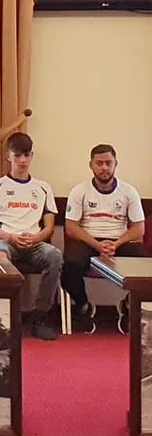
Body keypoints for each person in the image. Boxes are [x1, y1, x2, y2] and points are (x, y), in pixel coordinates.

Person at [0, 132, 62, 341]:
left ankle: (40, 316)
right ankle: (4, 316)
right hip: (5, 240)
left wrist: (36, 238)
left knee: (54, 256)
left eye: (26, 155)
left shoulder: (43, 187)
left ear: (32, 156)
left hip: (35, 242)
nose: (23, 161)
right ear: (8, 157)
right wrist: (11, 237)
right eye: (17, 156)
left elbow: (49, 228)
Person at [62, 144, 145, 335]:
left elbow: (139, 229)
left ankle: (129, 305)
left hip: (119, 241)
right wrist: (98, 245)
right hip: (88, 242)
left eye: (108, 163)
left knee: (144, 262)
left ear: (116, 164)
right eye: (99, 163)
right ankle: (83, 306)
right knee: (69, 264)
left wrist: (115, 244)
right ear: (91, 165)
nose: (104, 168)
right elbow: (71, 227)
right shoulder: (79, 191)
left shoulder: (129, 191)